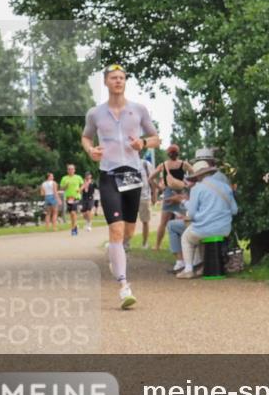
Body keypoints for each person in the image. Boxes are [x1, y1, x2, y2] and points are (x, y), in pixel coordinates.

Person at [82, 63, 160, 309]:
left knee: (128, 231)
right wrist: (90, 150)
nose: (118, 81)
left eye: (122, 78)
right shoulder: (95, 113)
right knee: (115, 230)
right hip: (108, 174)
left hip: (132, 175)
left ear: (125, 82)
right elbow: (86, 136)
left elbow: (157, 138)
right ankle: (124, 286)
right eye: (114, 77)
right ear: (106, 82)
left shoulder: (138, 110)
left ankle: (115, 253)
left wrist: (143, 144)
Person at [175, 160, 237, 279]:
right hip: (224, 229)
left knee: (187, 238)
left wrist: (184, 202)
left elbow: (192, 214)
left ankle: (188, 269)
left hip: (204, 229)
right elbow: (234, 210)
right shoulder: (225, 186)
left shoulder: (197, 189)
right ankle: (204, 266)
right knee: (199, 235)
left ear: (197, 175)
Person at [150, 144, 191, 251]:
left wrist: (159, 187)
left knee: (163, 223)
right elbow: (195, 176)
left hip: (168, 194)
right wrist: (188, 186)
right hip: (181, 194)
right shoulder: (184, 164)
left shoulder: (163, 165)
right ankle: (185, 244)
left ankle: (157, 246)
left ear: (168, 154)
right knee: (184, 222)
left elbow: (150, 178)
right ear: (178, 153)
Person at [59, 164, 84, 236]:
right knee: (71, 214)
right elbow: (61, 188)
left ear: (74, 170)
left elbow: (83, 185)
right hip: (68, 198)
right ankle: (74, 226)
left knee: (73, 212)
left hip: (76, 197)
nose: (70, 170)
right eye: (69, 169)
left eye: (72, 169)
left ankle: (74, 228)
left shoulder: (78, 177)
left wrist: (80, 189)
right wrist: (65, 187)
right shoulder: (64, 178)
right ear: (67, 170)